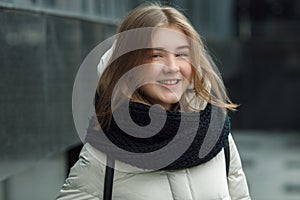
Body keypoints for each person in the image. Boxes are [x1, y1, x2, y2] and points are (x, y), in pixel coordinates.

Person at [57, 3, 251, 200]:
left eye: (181, 54)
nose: (172, 67)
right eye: (156, 55)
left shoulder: (217, 134)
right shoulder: (104, 154)